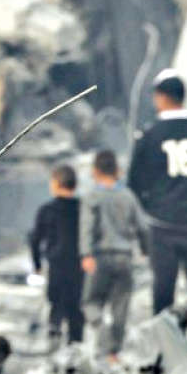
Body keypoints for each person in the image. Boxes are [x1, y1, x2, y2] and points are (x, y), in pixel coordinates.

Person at [127, 71, 187, 314]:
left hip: (163, 225)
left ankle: (164, 336)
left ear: (160, 97)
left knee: (163, 290)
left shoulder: (149, 136)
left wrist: (151, 211)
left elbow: (134, 183)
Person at [81, 150, 149, 360]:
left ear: (96, 171)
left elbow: (87, 227)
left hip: (100, 256)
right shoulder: (128, 196)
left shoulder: (92, 197)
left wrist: (86, 254)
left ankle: (101, 332)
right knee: (120, 306)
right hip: (124, 257)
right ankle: (114, 352)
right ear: (116, 170)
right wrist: (145, 249)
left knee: (91, 302)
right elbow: (143, 226)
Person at [28, 164, 84, 345]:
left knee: (56, 305)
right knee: (76, 308)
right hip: (78, 266)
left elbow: (35, 240)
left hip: (56, 266)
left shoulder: (46, 210)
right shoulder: (83, 209)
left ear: (56, 184)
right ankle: (76, 346)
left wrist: (37, 265)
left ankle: (53, 341)